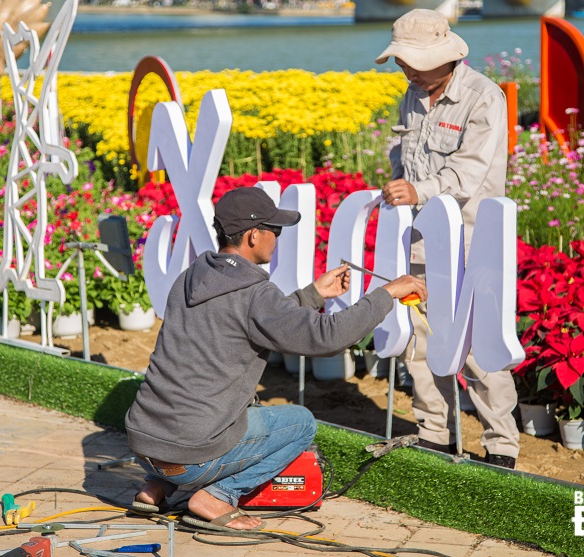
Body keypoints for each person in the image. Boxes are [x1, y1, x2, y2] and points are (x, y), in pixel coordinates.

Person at [125, 186, 428, 530]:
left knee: (230, 412)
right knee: (300, 422)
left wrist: (313, 294)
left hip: (145, 444)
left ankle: (157, 486)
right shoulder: (255, 293)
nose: (278, 238)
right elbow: (325, 337)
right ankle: (218, 494)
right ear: (254, 236)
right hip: (192, 454)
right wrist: (387, 294)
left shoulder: (192, 276)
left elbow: (247, 319)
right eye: (275, 230)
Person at [374, 8, 520, 469]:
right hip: (420, 241)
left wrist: (420, 190)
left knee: (478, 347)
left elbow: (470, 171)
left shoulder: (484, 97)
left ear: (446, 57)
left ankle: (501, 445)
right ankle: (433, 431)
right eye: (402, 62)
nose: (407, 70)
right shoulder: (412, 96)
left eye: (415, 62)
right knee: (420, 340)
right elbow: (404, 154)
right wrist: (399, 187)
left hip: (471, 244)